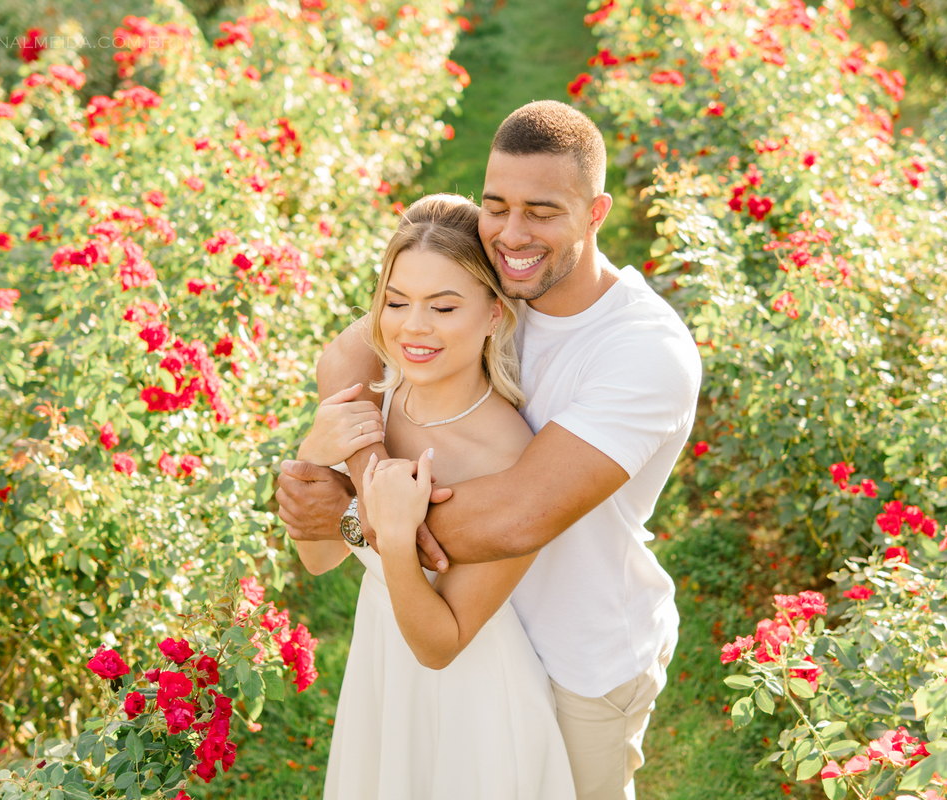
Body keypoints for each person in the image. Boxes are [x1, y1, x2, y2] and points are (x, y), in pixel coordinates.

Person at [280, 100, 702, 800]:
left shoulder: (644, 353)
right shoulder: (488, 278)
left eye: (541, 211)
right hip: (460, 620)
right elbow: (347, 357)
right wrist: (373, 471)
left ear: (595, 214)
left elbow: (516, 518)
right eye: (496, 204)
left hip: (579, 653)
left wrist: (356, 515)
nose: (511, 232)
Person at [294, 193, 576, 799]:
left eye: (444, 306)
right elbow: (317, 559)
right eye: (396, 303)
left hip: (471, 700)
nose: (413, 327)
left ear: (495, 313)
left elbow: (440, 646)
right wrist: (315, 454)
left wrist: (395, 539)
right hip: (381, 668)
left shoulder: (505, 457)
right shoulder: (376, 402)